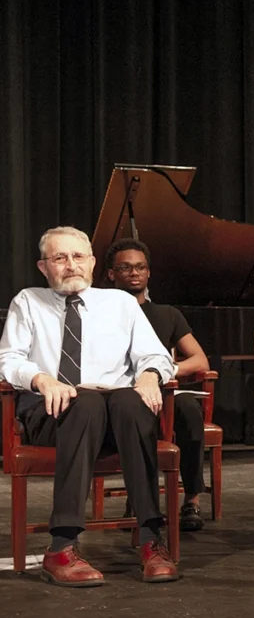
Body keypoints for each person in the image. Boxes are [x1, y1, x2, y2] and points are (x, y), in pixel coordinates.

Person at [0, 226, 179, 586]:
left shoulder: (121, 303)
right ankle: (61, 547)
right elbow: (8, 358)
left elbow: (156, 354)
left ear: (93, 263)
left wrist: (148, 375)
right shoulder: (28, 301)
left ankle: (149, 540)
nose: (70, 265)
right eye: (60, 257)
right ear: (43, 266)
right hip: (55, 414)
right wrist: (42, 379)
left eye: (78, 256)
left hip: (117, 421)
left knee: (129, 400)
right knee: (86, 404)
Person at [106, 238, 211, 531]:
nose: (134, 273)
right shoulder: (101, 314)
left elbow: (200, 360)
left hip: (161, 391)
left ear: (149, 273)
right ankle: (140, 498)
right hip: (119, 395)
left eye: (140, 267)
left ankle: (192, 499)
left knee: (189, 409)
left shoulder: (167, 314)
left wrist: (164, 371)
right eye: (124, 267)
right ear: (111, 274)